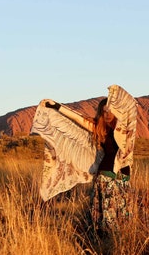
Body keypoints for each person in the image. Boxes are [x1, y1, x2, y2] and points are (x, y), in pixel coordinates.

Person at [43, 96, 134, 233]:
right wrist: (57, 106)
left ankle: (119, 241)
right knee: (107, 215)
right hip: (106, 175)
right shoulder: (100, 128)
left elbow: (131, 108)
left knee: (123, 214)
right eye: (104, 111)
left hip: (123, 177)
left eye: (110, 111)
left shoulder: (125, 128)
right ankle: (105, 241)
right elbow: (78, 119)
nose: (107, 114)